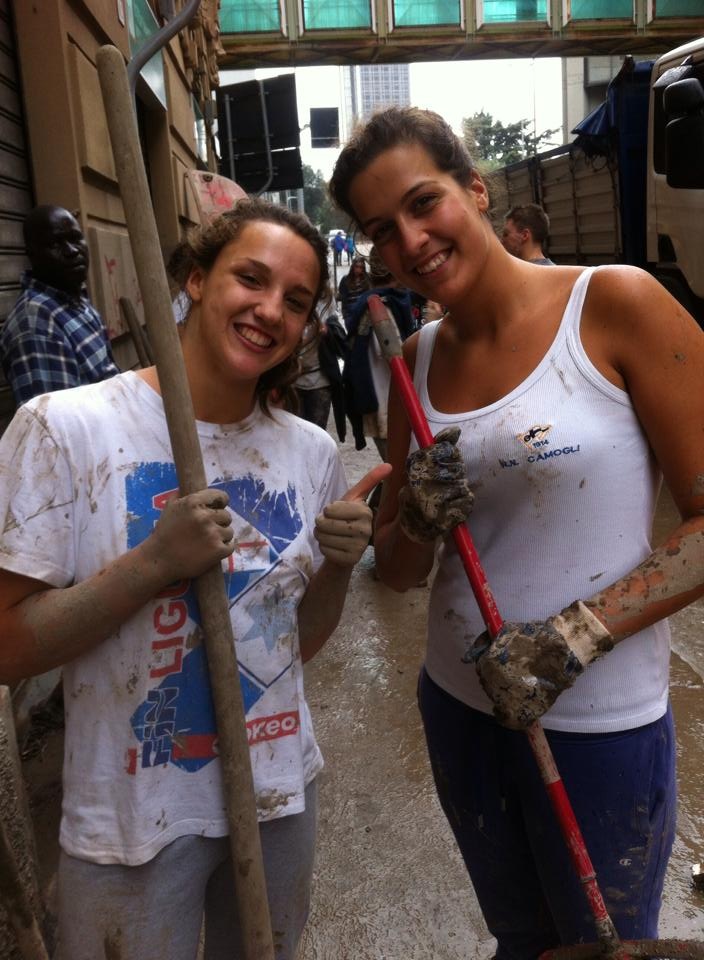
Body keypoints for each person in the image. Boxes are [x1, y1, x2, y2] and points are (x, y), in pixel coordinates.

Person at [329, 106, 704, 958]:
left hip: (600, 725)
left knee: (603, 946)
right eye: (382, 230)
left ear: (475, 188)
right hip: (459, 709)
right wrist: (413, 520)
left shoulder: (613, 304)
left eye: (424, 203)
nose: (411, 242)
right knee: (519, 938)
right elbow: (398, 572)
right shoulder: (413, 363)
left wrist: (577, 635)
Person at [0, 197, 389, 960]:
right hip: (130, 825)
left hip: (278, 797)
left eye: (297, 300)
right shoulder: (65, 428)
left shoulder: (309, 453)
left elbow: (295, 648)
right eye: (252, 278)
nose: (271, 310)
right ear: (197, 278)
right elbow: (7, 647)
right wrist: (153, 565)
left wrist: (338, 570)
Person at [0, 204, 119, 405]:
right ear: (32, 255)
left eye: (75, 238)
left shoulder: (75, 300)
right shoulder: (36, 325)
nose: (72, 250)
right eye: (55, 243)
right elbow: (59, 422)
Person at [294, 307, 347, 438]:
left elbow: (340, 338)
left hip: (320, 380)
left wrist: (328, 331)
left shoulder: (325, 305)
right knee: (295, 432)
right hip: (293, 381)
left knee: (316, 433)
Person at [337, 256, 372, 327]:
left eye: (361, 267)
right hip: (350, 312)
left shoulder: (367, 278)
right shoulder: (345, 279)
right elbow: (342, 295)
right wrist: (345, 314)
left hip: (363, 311)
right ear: (353, 267)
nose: (358, 269)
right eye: (356, 267)